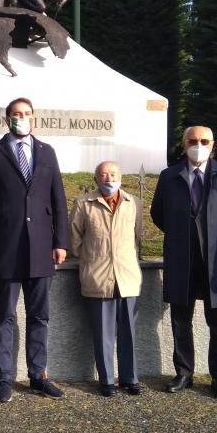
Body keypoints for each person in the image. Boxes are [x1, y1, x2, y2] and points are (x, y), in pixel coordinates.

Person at [0, 97, 69, 402]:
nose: (22, 118)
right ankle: (3, 377)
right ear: (7, 120)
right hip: (5, 248)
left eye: (26, 114)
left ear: (34, 118)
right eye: (16, 114)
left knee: (39, 315)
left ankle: (38, 375)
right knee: (4, 315)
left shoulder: (47, 152)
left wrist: (61, 242)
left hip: (41, 249)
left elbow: (59, 201)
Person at [150, 126, 217, 400]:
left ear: (213, 144)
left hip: (215, 259)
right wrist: (182, 234)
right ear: (183, 144)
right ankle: (184, 373)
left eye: (204, 141)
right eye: (193, 141)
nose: (198, 145)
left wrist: (214, 236)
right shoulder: (169, 176)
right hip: (181, 257)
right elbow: (158, 214)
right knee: (181, 318)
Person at [69, 161, 143, 397]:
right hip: (98, 278)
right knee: (103, 334)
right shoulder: (83, 204)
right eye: (103, 174)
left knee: (128, 332)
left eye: (113, 174)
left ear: (121, 176)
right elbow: (74, 240)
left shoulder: (134, 203)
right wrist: (93, 258)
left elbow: (137, 237)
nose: (108, 178)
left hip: (127, 277)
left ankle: (130, 378)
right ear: (96, 178)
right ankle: (107, 380)